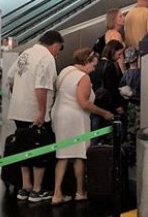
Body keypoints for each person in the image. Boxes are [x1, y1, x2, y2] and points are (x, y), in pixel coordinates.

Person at [51, 48, 113, 205]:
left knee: (62, 154)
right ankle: (80, 191)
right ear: (86, 62)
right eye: (93, 65)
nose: (93, 69)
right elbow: (83, 102)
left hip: (58, 114)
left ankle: (57, 193)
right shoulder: (83, 77)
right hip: (75, 117)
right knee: (79, 154)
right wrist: (104, 113)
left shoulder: (65, 71)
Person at [7, 30, 64, 202]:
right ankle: (37, 190)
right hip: (35, 113)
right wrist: (41, 111)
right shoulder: (46, 57)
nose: (57, 53)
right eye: (58, 49)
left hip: (18, 110)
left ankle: (25, 187)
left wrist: (19, 94)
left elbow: (10, 78)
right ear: (54, 44)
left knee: (23, 147)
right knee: (40, 148)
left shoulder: (26, 53)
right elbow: (42, 86)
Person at [89, 40, 125, 145]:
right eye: (119, 54)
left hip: (95, 104)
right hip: (108, 106)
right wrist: (118, 105)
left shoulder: (96, 65)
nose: (120, 57)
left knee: (95, 134)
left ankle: (90, 155)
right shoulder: (111, 67)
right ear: (113, 52)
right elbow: (112, 88)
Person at [120, 47, 141, 164]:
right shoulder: (141, 73)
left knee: (130, 129)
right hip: (139, 105)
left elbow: (121, 87)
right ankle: (137, 155)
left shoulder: (126, 73)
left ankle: (130, 155)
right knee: (138, 129)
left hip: (129, 105)